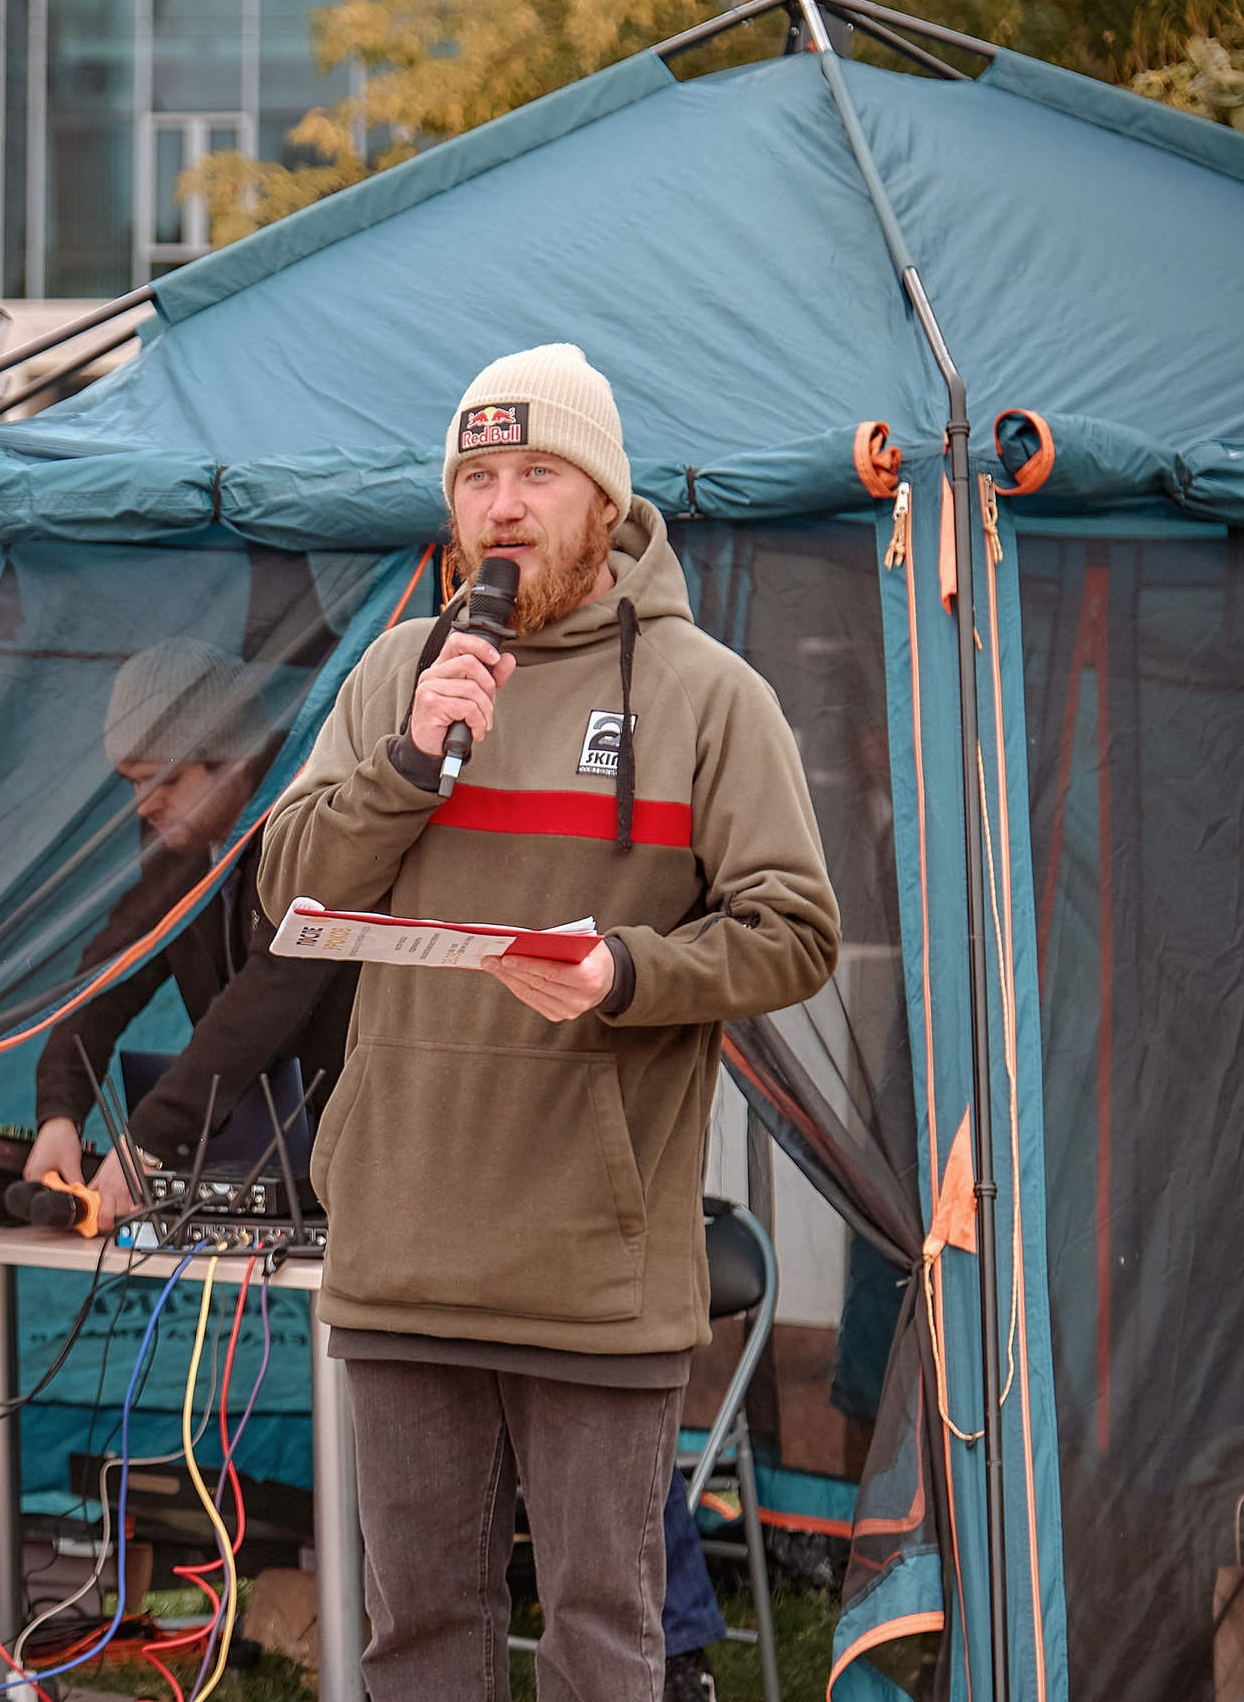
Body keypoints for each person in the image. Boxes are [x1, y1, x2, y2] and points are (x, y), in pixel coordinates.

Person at [255, 344, 838, 1702]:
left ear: (604, 500)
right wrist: (409, 762)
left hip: (594, 1269)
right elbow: (288, 886)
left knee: (598, 1639)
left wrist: (626, 971)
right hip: (402, 1248)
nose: (503, 505)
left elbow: (795, 928)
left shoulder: (708, 695)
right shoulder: (400, 670)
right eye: (477, 477)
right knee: (418, 1635)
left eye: (537, 473)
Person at [24, 637, 355, 1229]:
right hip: (264, 1157)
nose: (143, 805)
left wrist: (149, 1141)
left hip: (351, 1157)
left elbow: (267, 993)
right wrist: (59, 1111)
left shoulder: (309, 828)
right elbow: (113, 968)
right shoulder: (179, 844)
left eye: (162, 780)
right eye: (131, 782)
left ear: (234, 760)